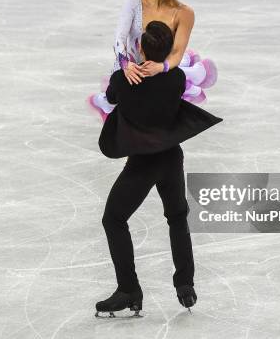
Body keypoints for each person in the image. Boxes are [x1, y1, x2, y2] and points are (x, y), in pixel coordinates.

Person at [95, 20, 222, 318]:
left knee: (113, 219)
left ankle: (129, 290)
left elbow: (112, 98)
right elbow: (169, 75)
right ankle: (185, 285)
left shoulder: (123, 81)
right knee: (177, 217)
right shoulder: (175, 78)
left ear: (140, 47)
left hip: (143, 164)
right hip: (171, 157)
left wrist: (126, 67)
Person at [88, 0, 218, 122]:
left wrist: (161, 67)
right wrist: (125, 65)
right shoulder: (134, 2)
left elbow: (178, 50)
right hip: (130, 68)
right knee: (125, 116)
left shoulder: (185, 13)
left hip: (160, 71)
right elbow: (119, 39)